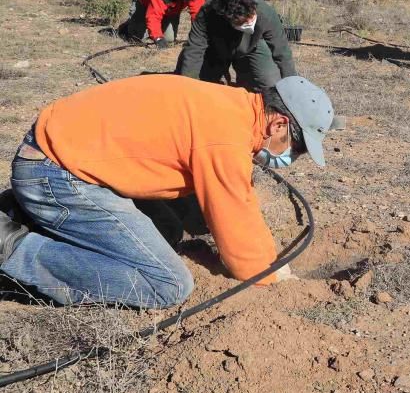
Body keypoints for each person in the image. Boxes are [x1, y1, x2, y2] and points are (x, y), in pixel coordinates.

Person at [0, 74, 335, 308]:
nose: (290, 157)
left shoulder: (233, 107)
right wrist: (267, 274)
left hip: (60, 155)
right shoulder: (226, 136)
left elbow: (239, 198)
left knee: (169, 229)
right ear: (279, 125)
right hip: (55, 173)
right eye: (295, 147)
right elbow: (235, 222)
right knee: (167, 285)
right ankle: (15, 249)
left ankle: (18, 211)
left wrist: (269, 258)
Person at [176, 0, 296, 92]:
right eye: (243, 21)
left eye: (251, 16)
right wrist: (188, 85)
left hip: (252, 47)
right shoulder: (207, 14)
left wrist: (292, 85)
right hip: (215, 48)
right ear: (227, 17)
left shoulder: (266, 12)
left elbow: (282, 51)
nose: (249, 22)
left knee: (270, 83)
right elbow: (194, 48)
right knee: (206, 87)